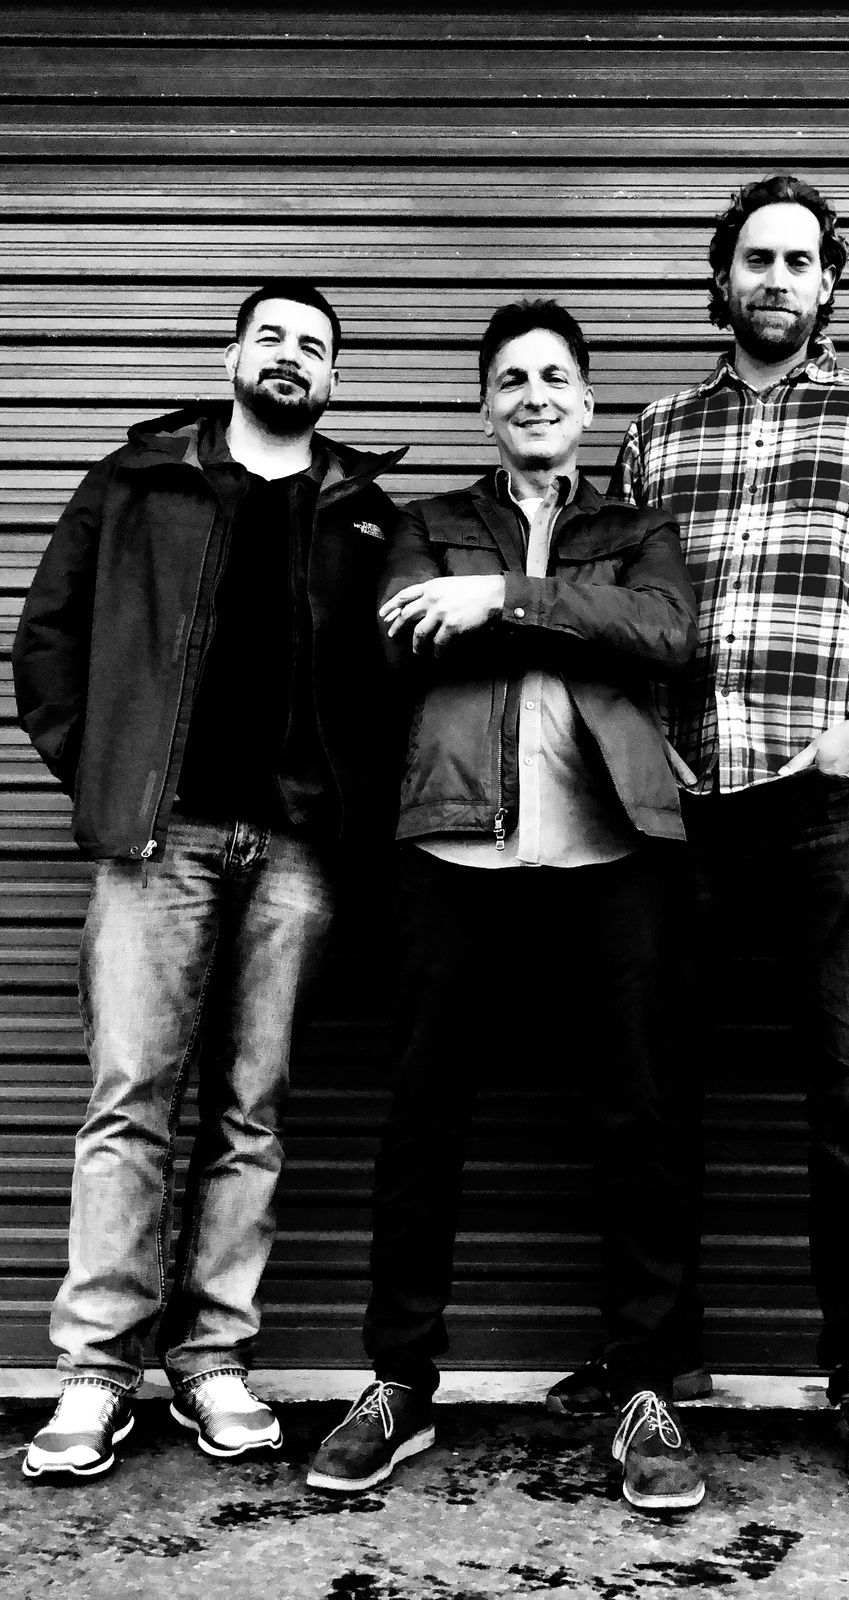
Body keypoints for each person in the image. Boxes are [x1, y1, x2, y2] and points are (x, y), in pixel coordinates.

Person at [306, 299, 706, 1513]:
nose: (535, 395)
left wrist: (497, 601)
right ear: (485, 404)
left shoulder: (636, 526)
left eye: (554, 377)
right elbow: (401, 639)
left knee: (639, 1121)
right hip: (451, 850)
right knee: (422, 1122)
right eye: (512, 379)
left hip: (611, 853)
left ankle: (646, 1387)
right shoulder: (428, 522)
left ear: (586, 401)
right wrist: (538, 609)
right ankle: (399, 1383)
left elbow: (664, 632)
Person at [580, 174, 849, 1499]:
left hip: (821, 798)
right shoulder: (654, 431)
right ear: (721, 280)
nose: (777, 279)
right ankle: (652, 1371)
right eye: (756, 259)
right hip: (682, 806)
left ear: (829, 285)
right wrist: (642, 743)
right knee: (654, 1091)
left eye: (799, 260)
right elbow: (620, 603)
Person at [13, 280, 408, 1478]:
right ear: (233, 353)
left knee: (253, 1109)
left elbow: (387, 693)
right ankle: (96, 1372)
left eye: (314, 346)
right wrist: (108, 774)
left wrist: (349, 816)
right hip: (159, 838)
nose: (291, 356)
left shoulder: (362, 514)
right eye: (271, 336)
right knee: (130, 1097)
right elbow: (48, 640)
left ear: (334, 380)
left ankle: (213, 1360)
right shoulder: (138, 482)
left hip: (295, 850)